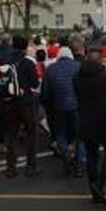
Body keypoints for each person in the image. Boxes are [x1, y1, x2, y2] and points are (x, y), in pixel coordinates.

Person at [74, 47, 106, 205]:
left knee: (92, 155)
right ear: (100, 60)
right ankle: (100, 183)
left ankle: (95, 191)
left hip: (86, 119)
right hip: (105, 120)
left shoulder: (77, 77)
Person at [1, 36, 41, 178]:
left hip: (10, 103)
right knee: (32, 133)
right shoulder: (28, 63)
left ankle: (11, 168)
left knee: (11, 136)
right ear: (25, 48)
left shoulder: (5, 62)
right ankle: (31, 166)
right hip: (26, 102)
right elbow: (35, 84)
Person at [41, 44, 84, 176]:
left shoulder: (50, 69)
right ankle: (79, 166)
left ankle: (65, 154)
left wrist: (48, 108)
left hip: (57, 107)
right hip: (76, 107)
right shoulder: (78, 67)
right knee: (80, 136)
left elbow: (45, 92)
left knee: (60, 133)